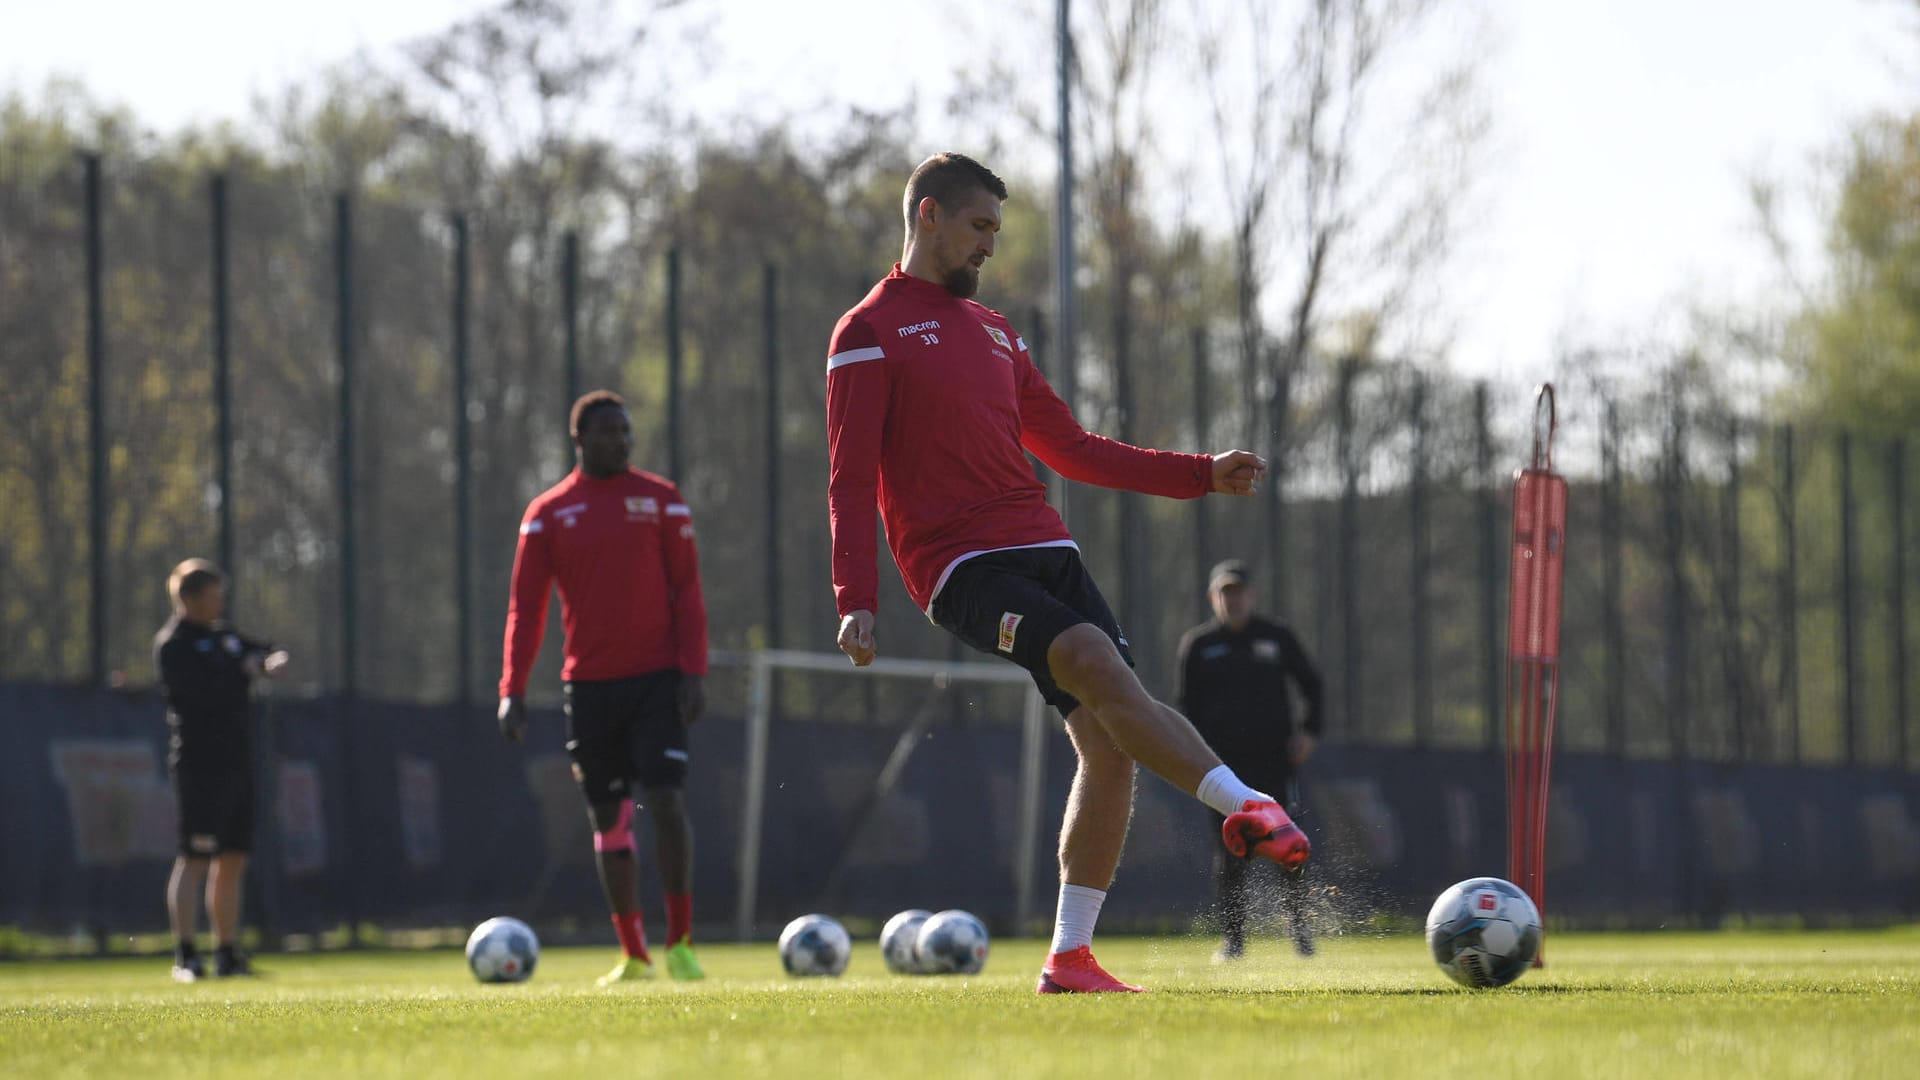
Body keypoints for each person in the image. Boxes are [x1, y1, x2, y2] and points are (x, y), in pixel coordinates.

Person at [826, 152, 1310, 995]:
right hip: (960, 566)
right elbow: (849, 477)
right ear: (929, 215)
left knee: (1110, 746)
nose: (988, 246)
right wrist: (855, 600)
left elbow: (1075, 450)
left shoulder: (996, 332)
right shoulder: (866, 331)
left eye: (996, 233)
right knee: (1092, 660)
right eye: (979, 227)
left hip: (1049, 551)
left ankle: (1070, 956)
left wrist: (1198, 472)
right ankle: (1245, 804)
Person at [498, 390, 710, 985]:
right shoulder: (547, 514)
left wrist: (694, 669)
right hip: (589, 690)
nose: (621, 440)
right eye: (609, 431)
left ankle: (682, 944)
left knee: (666, 802)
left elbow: (688, 592)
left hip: (658, 682)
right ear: (580, 440)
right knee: (610, 819)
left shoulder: (662, 501)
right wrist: (511, 687)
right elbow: (526, 610)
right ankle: (633, 954)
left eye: (626, 430)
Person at [1175, 559, 1325, 961]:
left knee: (1286, 845)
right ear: (1213, 598)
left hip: (1274, 762)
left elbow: (1312, 685)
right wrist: (1194, 759)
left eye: (1239, 592)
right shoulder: (1199, 646)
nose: (1233, 600)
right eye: (1225, 593)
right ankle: (1234, 940)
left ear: (1251, 595)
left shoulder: (1276, 637)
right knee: (1230, 852)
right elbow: (1184, 709)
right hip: (1222, 770)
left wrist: (1309, 731)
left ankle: (1301, 933)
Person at [154, 558, 287, 982]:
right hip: (199, 764)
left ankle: (227, 952)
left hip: (237, 761)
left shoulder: (224, 636)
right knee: (195, 857)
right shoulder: (174, 644)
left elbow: (259, 650)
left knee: (232, 859)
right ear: (189, 598)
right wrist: (242, 671)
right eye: (213, 596)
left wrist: (268, 661)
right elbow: (198, 695)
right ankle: (186, 955)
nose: (219, 604)